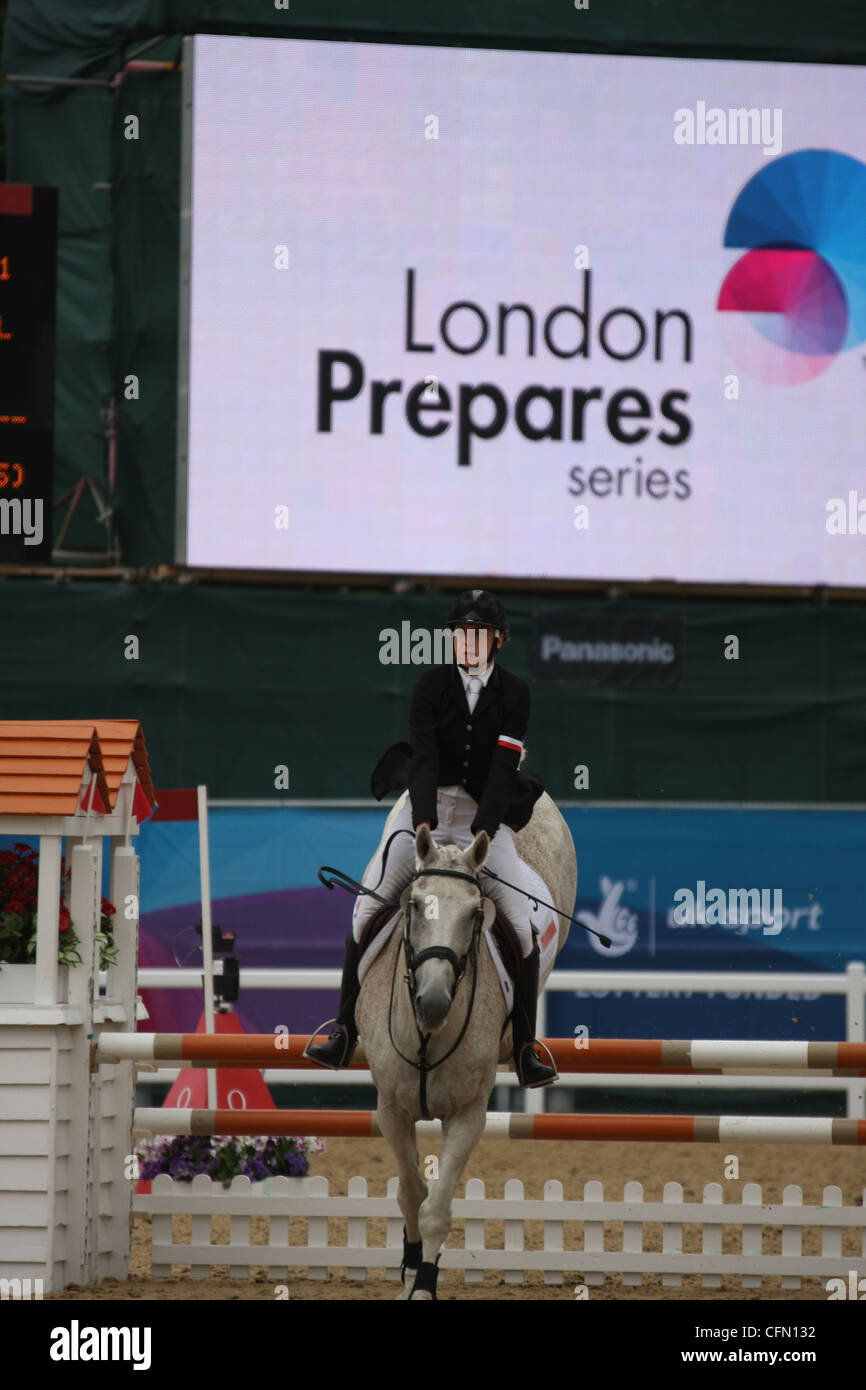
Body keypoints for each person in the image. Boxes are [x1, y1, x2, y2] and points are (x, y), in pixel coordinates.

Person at [304, 588, 557, 1087]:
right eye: (461, 634)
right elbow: (422, 759)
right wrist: (420, 823)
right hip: (425, 812)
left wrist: (484, 831)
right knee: (365, 913)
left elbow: (505, 767)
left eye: (479, 635)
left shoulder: (516, 693)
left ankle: (525, 1047)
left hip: (483, 819)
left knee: (523, 929)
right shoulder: (429, 686)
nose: (468, 643)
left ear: (498, 641)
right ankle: (344, 1030)